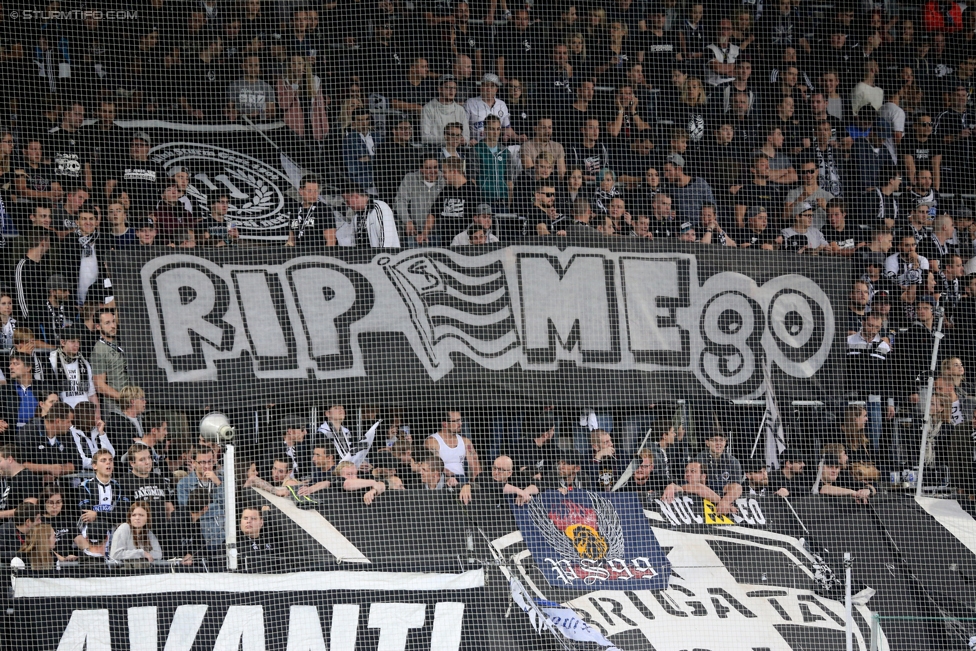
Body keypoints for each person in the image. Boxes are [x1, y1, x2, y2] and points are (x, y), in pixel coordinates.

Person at [76, 449, 128, 556]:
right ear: (94, 466)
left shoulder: (120, 487)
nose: (108, 463)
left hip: (114, 530)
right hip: (91, 531)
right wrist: (111, 516)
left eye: (110, 460)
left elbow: (122, 515)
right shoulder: (85, 486)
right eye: (103, 460)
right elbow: (87, 516)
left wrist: (97, 514)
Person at [176, 447, 225, 556]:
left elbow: (229, 507)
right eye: (202, 462)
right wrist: (217, 508)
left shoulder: (222, 480)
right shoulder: (183, 484)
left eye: (210, 461)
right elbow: (190, 512)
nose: (207, 466)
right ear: (194, 463)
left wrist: (218, 484)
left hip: (222, 539)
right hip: (199, 541)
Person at [396, 156, 445, 248]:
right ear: (421, 169)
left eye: (435, 167)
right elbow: (400, 201)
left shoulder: (444, 179)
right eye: (428, 168)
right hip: (414, 231)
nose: (432, 171)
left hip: (439, 231)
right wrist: (407, 221)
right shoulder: (410, 179)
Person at [426, 409, 481, 486]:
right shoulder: (433, 441)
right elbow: (435, 466)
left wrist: (473, 485)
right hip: (442, 481)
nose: (460, 423)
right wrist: (450, 476)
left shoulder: (465, 441)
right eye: (456, 421)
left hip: (462, 482)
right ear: (445, 424)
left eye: (460, 420)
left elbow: (475, 468)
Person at [459, 455, 538, 507]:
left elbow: (540, 484)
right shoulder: (484, 476)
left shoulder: (517, 478)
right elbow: (494, 485)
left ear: (509, 473)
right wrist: (518, 491)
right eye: (494, 468)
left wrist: (526, 492)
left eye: (500, 470)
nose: (496, 472)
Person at [696, 428, 743, 515]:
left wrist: (725, 502)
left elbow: (737, 488)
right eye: (714, 440)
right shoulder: (698, 460)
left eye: (721, 440)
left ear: (725, 442)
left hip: (726, 502)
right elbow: (698, 486)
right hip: (701, 503)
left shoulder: (733, 461)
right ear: (707, 443)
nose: (718, 443)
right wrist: (723, 502)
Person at [0, 445, 42, 520]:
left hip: (17, 528)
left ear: (10, 459)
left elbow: (30, 506)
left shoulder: (27, 477)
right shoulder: (10, 479)